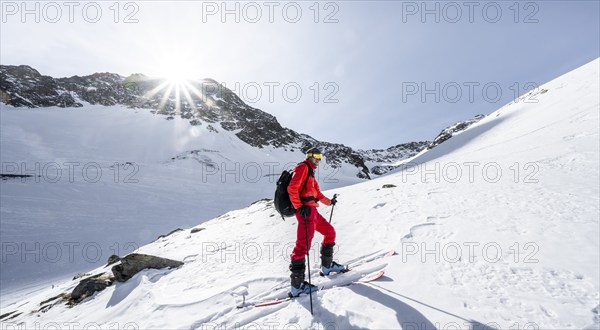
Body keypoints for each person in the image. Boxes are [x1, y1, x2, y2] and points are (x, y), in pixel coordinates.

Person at [287, 147, 346, 297]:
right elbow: (292, 188)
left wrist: (329, 202)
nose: (319, 159)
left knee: (330, 232)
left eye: (321, 157)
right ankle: (297, 286)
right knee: (302, 247)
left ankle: (327, 267)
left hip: (313, 212)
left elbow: (317, 194)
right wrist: (299, 207)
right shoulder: (302, 167)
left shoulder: (310, 173)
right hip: (306, 213)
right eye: (317, 156)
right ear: (310, 156)